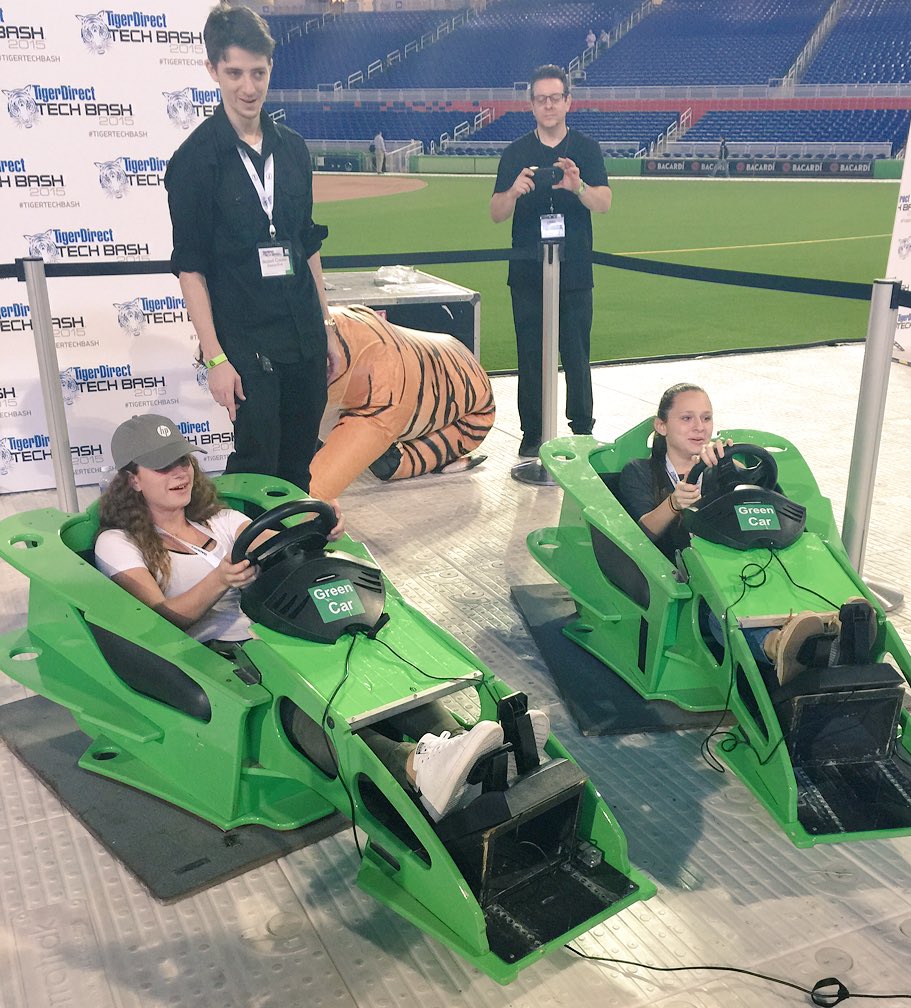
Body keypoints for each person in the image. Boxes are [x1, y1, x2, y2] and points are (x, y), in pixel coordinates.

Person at [94, 414, 545, 822]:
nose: (180, 473)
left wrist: (321, 533)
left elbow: (287, 545)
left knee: (373, 659)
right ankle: (412, 768)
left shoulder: (224, 520)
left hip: (281, 630)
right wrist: (220, 580)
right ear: (131, 481)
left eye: (183, 461)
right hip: (221, 655)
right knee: (305, 703)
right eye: (162, 467)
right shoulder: (118, 543)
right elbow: (158, 621)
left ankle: (474, 748)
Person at [164, 3, 344, 493]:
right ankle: (252, 560)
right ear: (212, 70)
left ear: (271, 69)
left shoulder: (292, 150)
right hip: (247, 346)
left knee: (300, 460)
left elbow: (306, 244)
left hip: (303, 335)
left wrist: (327, 326)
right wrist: (216, 358)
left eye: (258, 73)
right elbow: (191, 269)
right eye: (235, 73)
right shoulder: (194, 162)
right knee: (257, 462)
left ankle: (294, 553)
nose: (248, 87)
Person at [618, 384, 874, 684]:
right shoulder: (639, 472)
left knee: (785, 574)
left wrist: (735, 473)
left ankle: (833, 636)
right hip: (691, 577)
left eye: (706, 418)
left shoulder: (728, 467)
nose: (699, 427)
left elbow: (778, 515)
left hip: (750, 564)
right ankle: (776, 646)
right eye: (687, 418)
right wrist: (674, 502)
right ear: (661, 426)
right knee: (725, 606)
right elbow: (641, 534)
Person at [490, 65, 612, 459]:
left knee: (576, 354)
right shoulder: (516, 153)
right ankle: (533, 432)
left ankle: (581, 430)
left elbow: (604, 203)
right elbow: (495, 212)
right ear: (531, 105)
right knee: (530, 355)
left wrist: (578, 187)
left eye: (554, 98)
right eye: (540, 98)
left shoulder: (587, 149)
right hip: (527, 273)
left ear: (567, 102)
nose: (548, 105)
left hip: (574, 270)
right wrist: (513, 191)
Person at [309, 305, 494, 501]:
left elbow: (311, 495)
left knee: (388, 454)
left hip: (472, 415)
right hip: (355, 350)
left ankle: (401, 459)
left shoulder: (381, 377)